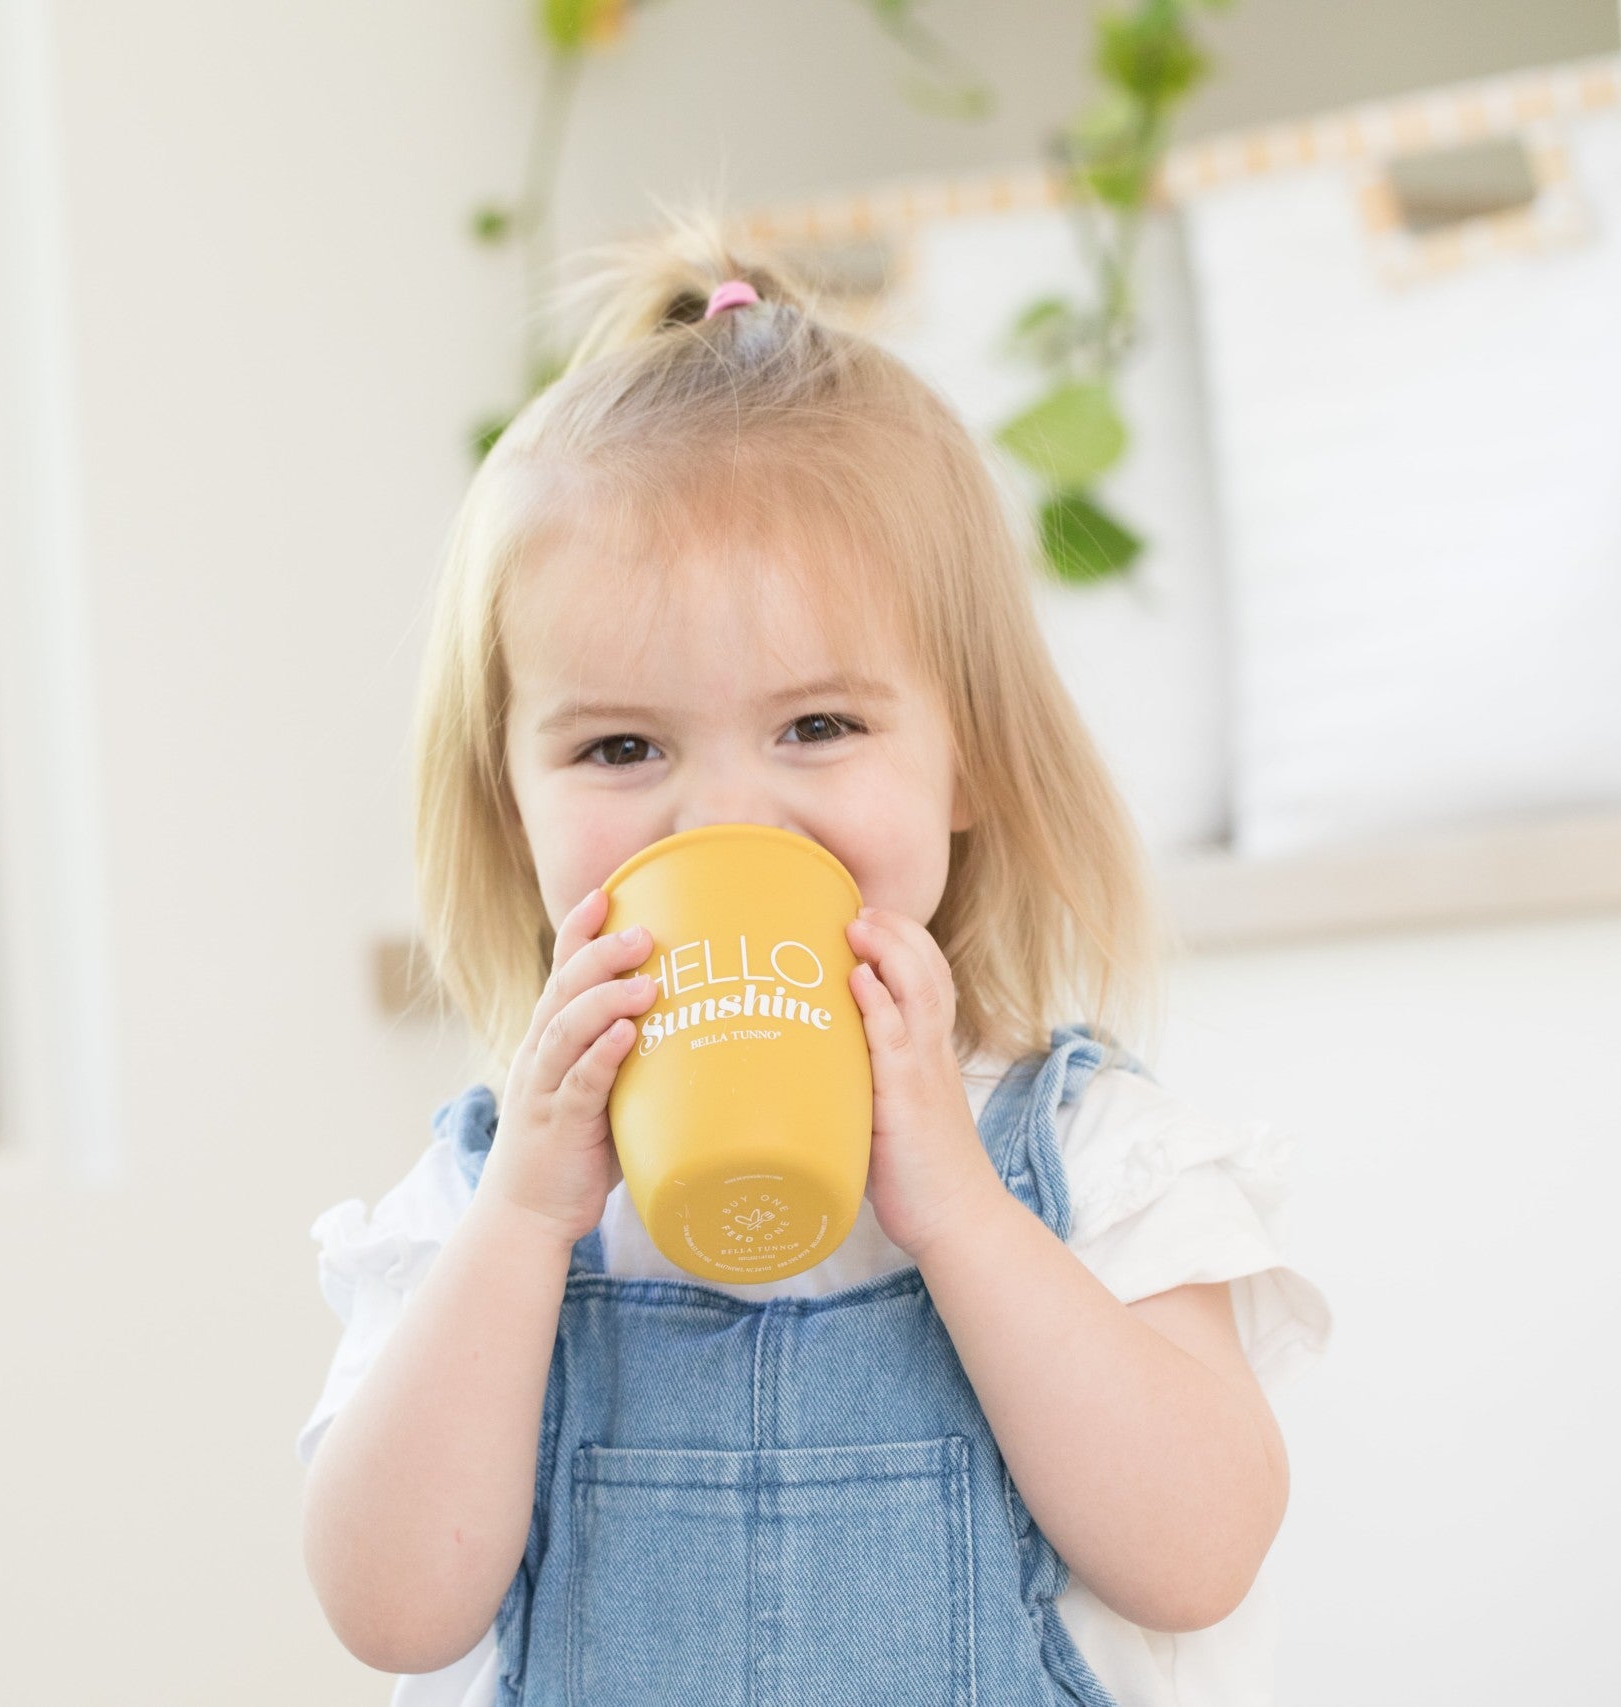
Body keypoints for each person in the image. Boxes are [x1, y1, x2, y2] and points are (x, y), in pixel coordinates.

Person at [297, 206, 1333, 1707]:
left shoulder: (1089, 1160)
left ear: (970, 760)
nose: (724, 812)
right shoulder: (484, 1197)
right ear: (509, 806)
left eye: (819, 726)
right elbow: (388, 1608)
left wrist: (966, 1216)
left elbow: (1201, 1549)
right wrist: (523, 1223)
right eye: (621, 746)